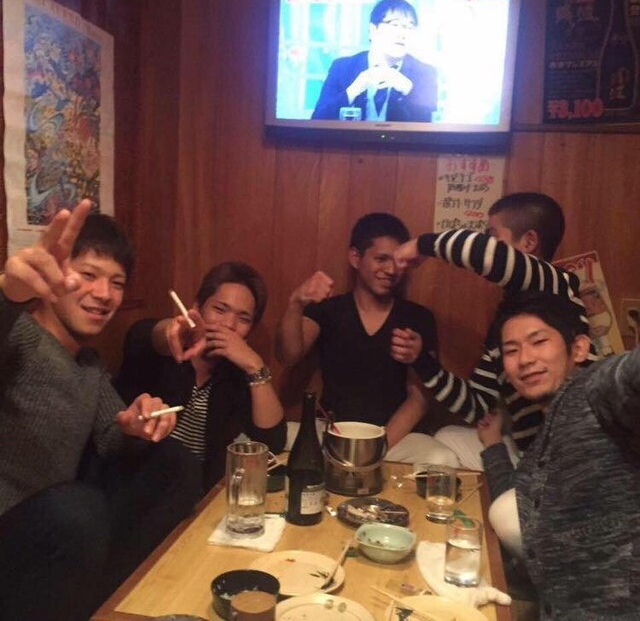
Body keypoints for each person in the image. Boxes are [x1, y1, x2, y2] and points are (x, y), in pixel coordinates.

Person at [0, 201, 201, 621]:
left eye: (116, 282)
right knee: (79, 510)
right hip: (18, 537)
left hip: (55, 538)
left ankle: (118, 602)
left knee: (175, 462)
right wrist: (8, 294)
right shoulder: (18, 335)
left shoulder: (89, 365)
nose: (104, 294)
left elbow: (111, 439)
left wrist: (136, 427)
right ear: (53, 274)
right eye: (88, 275)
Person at [394, 192, 595, 469]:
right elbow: (478, 407)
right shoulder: (506, 323)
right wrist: (421, 361)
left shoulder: (556, 285)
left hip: (577, 451)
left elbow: (485, 254)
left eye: (493, 236)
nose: (524, 356)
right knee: (446, 437)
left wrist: (420, 245)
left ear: (529, 242)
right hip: (531, 454)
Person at [478, 290, 639, 620]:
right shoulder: (541, 445)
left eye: (538, 342)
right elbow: (515, 505)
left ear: (578, 349)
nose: (524, 359)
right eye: (511, 350)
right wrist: (493, 446)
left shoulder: (596, 390)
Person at [276, 212, 457, 466]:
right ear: (355, 257)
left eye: (397, 262)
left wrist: (376, 447)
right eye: (381, 259)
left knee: (443, 458)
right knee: (271, 439)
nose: (391, 270)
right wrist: (296, 303)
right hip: (334, 431)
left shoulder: (417, 318)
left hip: (393, 437)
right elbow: (288, 355)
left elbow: (419, 399)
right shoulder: (328, 309)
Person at [116, 261, 287, 491]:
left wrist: (255, 365)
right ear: (197, 308)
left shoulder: (236, 376)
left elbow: (272, 443)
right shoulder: (163, 351)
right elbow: (141, 335)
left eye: (244, 319)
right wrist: (174, 332)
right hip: (134, 480)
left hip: (197, 494)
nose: (229, 324)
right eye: (220, 309)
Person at [311, 0, 437, 123]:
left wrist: (408, 91)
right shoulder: (343, 67)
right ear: (373, 30)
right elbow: (318, 120)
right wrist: (353, 91)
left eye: (409, 27)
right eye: (395, 25)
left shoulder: (425, 73)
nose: (402, 34)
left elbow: (427, 128)